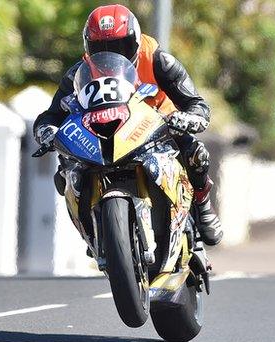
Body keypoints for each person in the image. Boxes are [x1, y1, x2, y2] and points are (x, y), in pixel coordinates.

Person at [33, 4, 223, 246]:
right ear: (88, 47)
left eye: (120, 46)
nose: (111, 55)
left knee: (195, 153)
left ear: (135, 40)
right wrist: (47, 131)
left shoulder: (157, 59)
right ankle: (93, 225)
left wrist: (189, 117)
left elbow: (196, 103)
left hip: (157, 124)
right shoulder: (78, 73)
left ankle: (203, 204)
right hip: (103, 131)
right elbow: (51, 115)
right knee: (67, 169)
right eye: (101, 48)